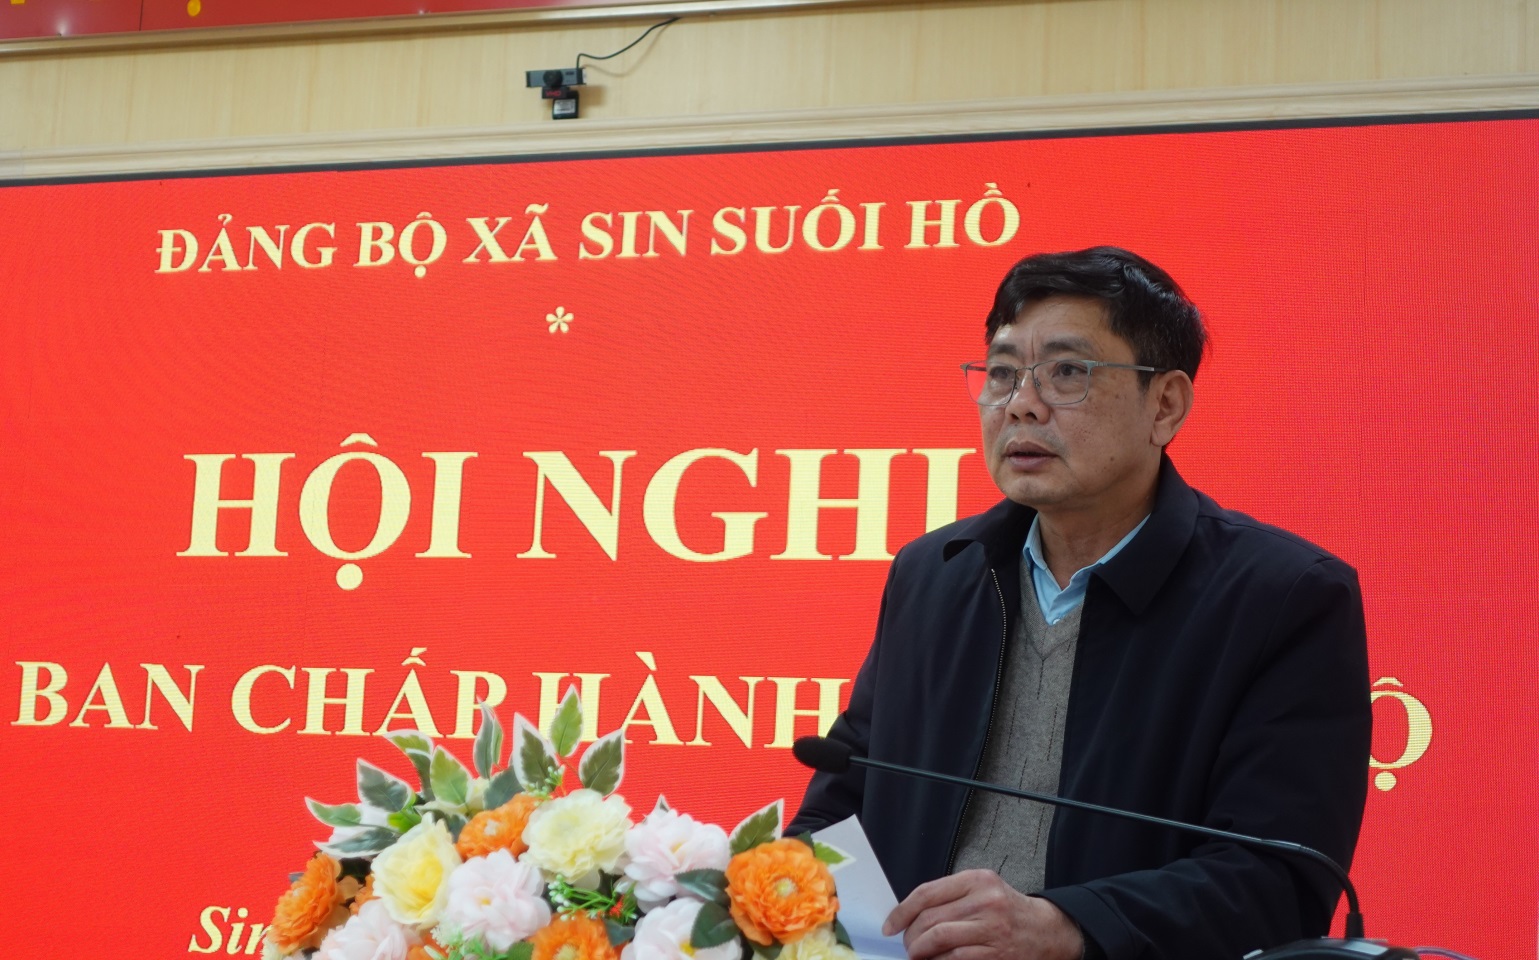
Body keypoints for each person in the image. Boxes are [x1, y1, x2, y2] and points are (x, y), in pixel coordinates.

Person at [788, 247, 1371, 960]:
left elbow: (1278, 880)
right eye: (1002, 373)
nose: (1021, 403)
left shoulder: (1283, 597)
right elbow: (840, 801)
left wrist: (1067, 926)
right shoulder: (935, 574)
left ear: (1165, 405)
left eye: (1067, 372)